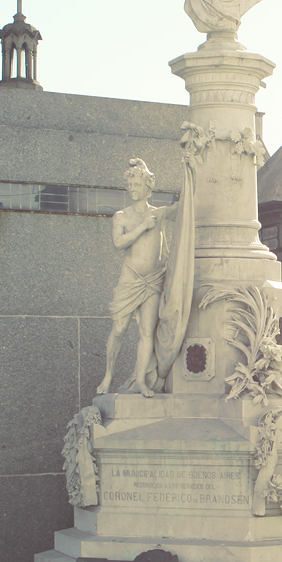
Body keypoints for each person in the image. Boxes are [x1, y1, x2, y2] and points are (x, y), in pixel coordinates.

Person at [96, 159, 164, 398]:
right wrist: (142, 227)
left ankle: (141, 380)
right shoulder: (122, 216)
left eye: (137, 184)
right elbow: (118, 243)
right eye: (130, 184)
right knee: (119, 327)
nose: (133, 188)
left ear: (148, 186)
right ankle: (108, 375)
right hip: (131, 277)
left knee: (147, 331)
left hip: (153, 279)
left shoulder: (159, 215)